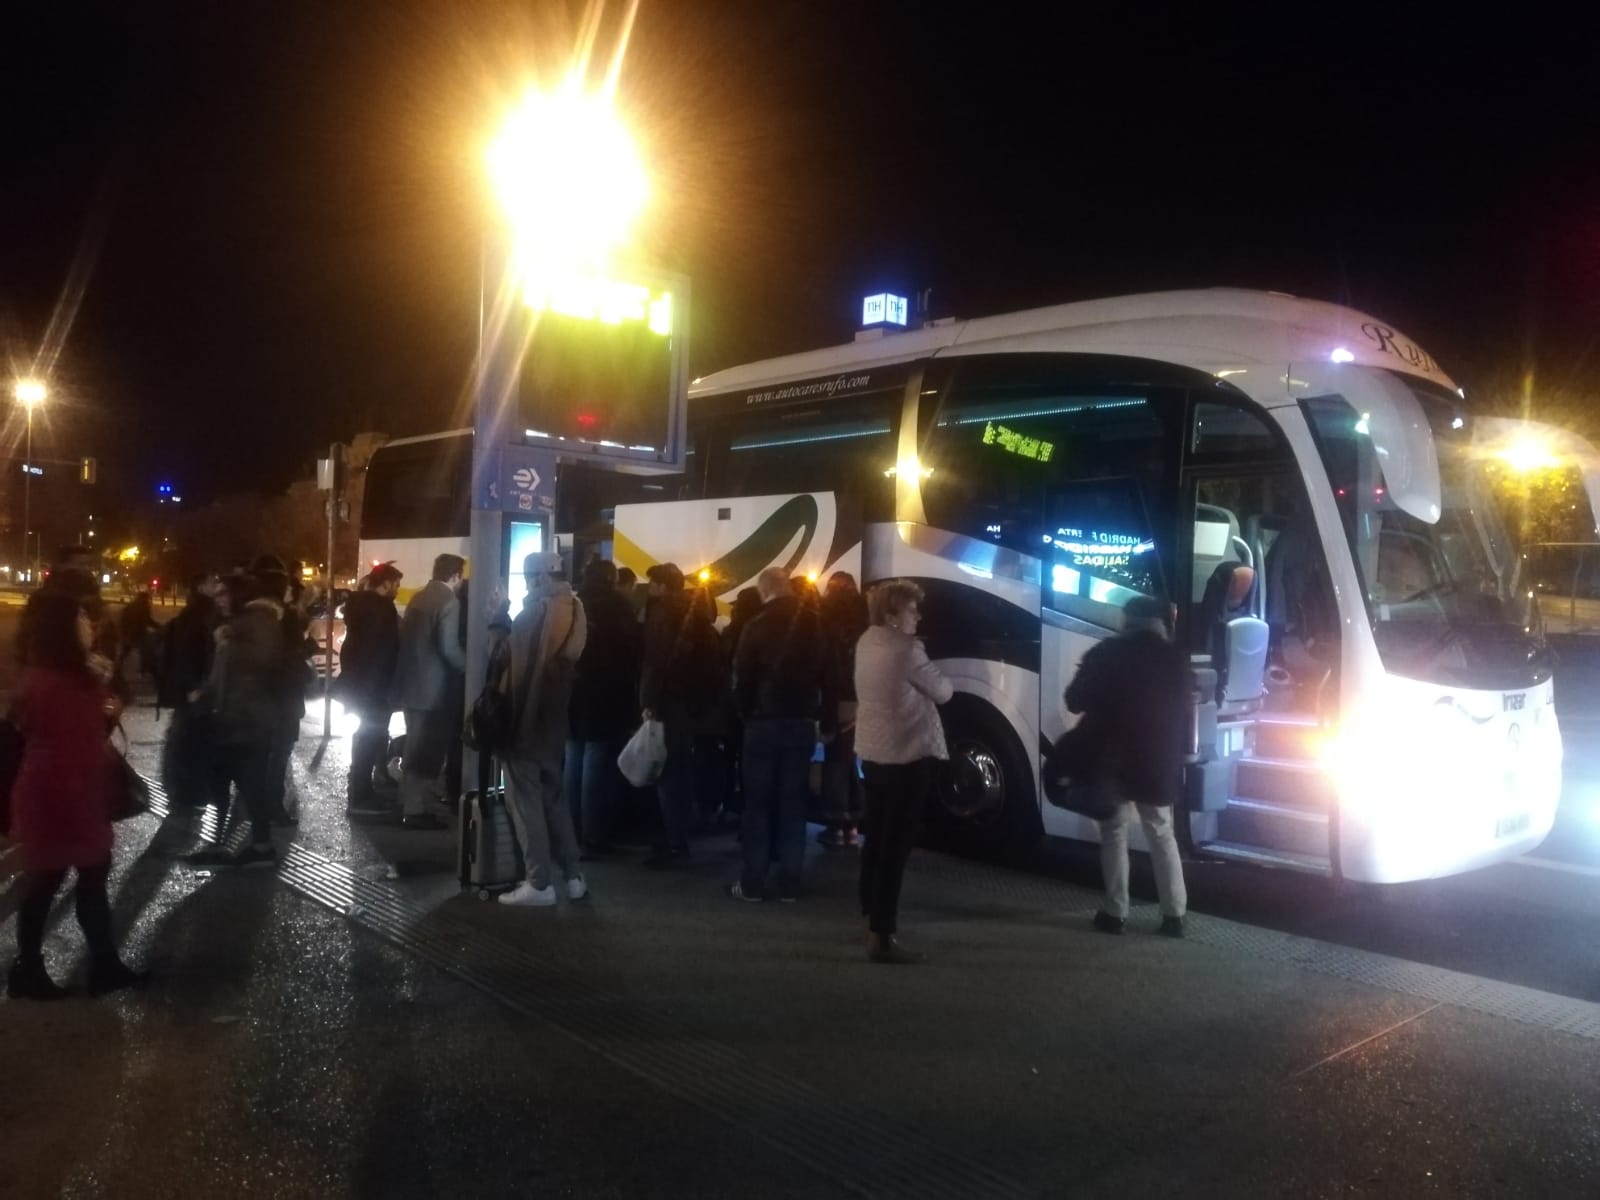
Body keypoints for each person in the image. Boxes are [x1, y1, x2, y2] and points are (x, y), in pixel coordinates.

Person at [6, 592, 145, 999]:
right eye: (81, 614)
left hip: (53, 785)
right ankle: (96, 967)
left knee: (52, 877)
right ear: (65, 627)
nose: (89, 622)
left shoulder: (37, 674)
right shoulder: (78, 679)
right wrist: (107, 697)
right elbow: (90, 727)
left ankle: (35, 969)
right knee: (81, 874)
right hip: (68, 787)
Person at [1063, 594, 1192, 938]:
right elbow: (1186, 713)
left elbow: (1074, 700)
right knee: (1161, 832)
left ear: (1127, 619)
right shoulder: (1175, 658)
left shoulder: (1107, 653)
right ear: (1161, 622)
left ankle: (1115, 912)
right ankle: (1174, 915)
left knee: (1114, 832)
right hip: (1157, 759)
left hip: (1111, 759)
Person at [853, 579, 953, 963]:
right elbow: (943, 692)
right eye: (913, 609)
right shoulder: (907, 649)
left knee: (876, 837)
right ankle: (882, 933)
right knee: (896, 845)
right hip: (908, 756)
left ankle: (869, 910)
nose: (919, 616)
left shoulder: (867, 641)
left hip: (874, 753)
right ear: (892, 614)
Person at [492, 552, 589, 907]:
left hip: (528, 719)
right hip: (554, 719)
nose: (528, 585)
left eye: (529, 578)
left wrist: (498, 617)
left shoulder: (537, 611)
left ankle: (539, 882)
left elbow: (505, 657)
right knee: (554, 798)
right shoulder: (575, 607)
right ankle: (574, 876)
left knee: (525, 800)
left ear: (539, 578)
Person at [726, 566, 827, 903]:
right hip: (801, 721)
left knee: (757, 804)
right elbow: (831, 674)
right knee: (792, 803)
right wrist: (823, 720)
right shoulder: (814, 623)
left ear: (764, 590)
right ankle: (790, 883)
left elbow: (742, 677)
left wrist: (745, 714)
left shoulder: (756, 625)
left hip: (762, 723)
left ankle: (753, 882)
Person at [190, 572, 286, 868]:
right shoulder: (236, 627)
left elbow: (255, 667)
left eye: (224, 593)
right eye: (216, 593)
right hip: (234, 717)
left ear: (239, 595)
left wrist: (232, 637)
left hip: (247, 720)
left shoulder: (253, 625)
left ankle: (261, 847)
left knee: (250, 785)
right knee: (224, 783)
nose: (218, 599)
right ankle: (221, 844)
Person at [639, 562, 719, 866]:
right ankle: (682, 832)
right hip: (691, 704)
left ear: (662, 586)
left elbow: (657, 661)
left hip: (668, 703)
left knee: (666, 773)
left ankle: (673, 842)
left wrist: (649, 701)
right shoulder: (697, 613)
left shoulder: (663, 614)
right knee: (683, 770)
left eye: (653, 584)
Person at [565, 557, 640, 854]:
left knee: (573, 759)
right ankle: (593, 835)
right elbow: (630, 650)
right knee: (596, 763)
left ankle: (570, 830)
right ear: (610, 579)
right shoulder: (618, 606)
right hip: (605, 694)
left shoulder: (574, 602)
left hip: (573, 692)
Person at [392, 553, 466, 830]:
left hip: (410, 681)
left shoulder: (419, 597)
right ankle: (414, 809)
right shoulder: (448, 601)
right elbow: (448, 648)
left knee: (414, 743)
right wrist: (469, 666)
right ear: (455, 575)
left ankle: (405, 802)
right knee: (424, 749)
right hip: (432, 687)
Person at [340, 562, 403, 817]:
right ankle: (362, 797)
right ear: (385, 583)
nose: (397, 590)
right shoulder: (381, 609)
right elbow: (383, 651)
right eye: (396, 585)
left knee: (366, 738)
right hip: (375, 688)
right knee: (370, 739)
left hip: (362, 686)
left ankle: (361, 791)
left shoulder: (360, 607)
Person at [156, 574, 220, 816]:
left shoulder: (198, 612)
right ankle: (187, 793)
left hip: (191, 688)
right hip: (195, 690)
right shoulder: (199, 614)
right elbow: (190, 652)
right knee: (190, 741)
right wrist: (194, 686)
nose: (217, 586)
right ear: (201, 585)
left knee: (184, 739)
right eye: (212, 581)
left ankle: (183, 792)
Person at [818, 572, 870, 847]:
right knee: (849, 761)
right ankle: (853, 823)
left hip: (837, 699)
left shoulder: (828, 620)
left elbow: (828, 671)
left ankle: (836, 823)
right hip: (861, 698)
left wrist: (826, 717)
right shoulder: (865, 619)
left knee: (836, 761)